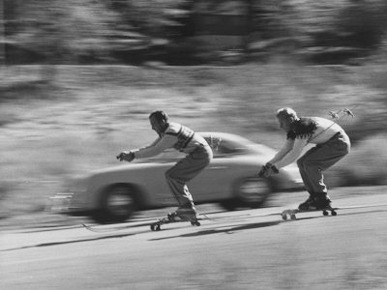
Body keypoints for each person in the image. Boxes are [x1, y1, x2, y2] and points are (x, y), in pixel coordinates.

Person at [117, 111, 213, 219]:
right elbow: (152, 146)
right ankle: (187, 208)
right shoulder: (168, 130)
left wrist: (133, 155)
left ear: (162, 122)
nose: (152, 128)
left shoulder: (172, 132)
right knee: (173, 176)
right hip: (199, 153)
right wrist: (131, 153)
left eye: (153, 124)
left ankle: (187, 208)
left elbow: (155, 150)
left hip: (201, 154)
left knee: (173, 176)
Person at [259, 107, 351, 210]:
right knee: (302, 162)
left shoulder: (303, 127)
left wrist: (275, 168)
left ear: (290, 120)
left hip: (339, 142)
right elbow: (285, 150)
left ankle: (322, 199)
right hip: (329, 142)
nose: (280, 126)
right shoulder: (293, 129)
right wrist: (269, 164)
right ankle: (314, 197)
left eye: (281, 122)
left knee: (310, 164)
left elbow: (294, 154)